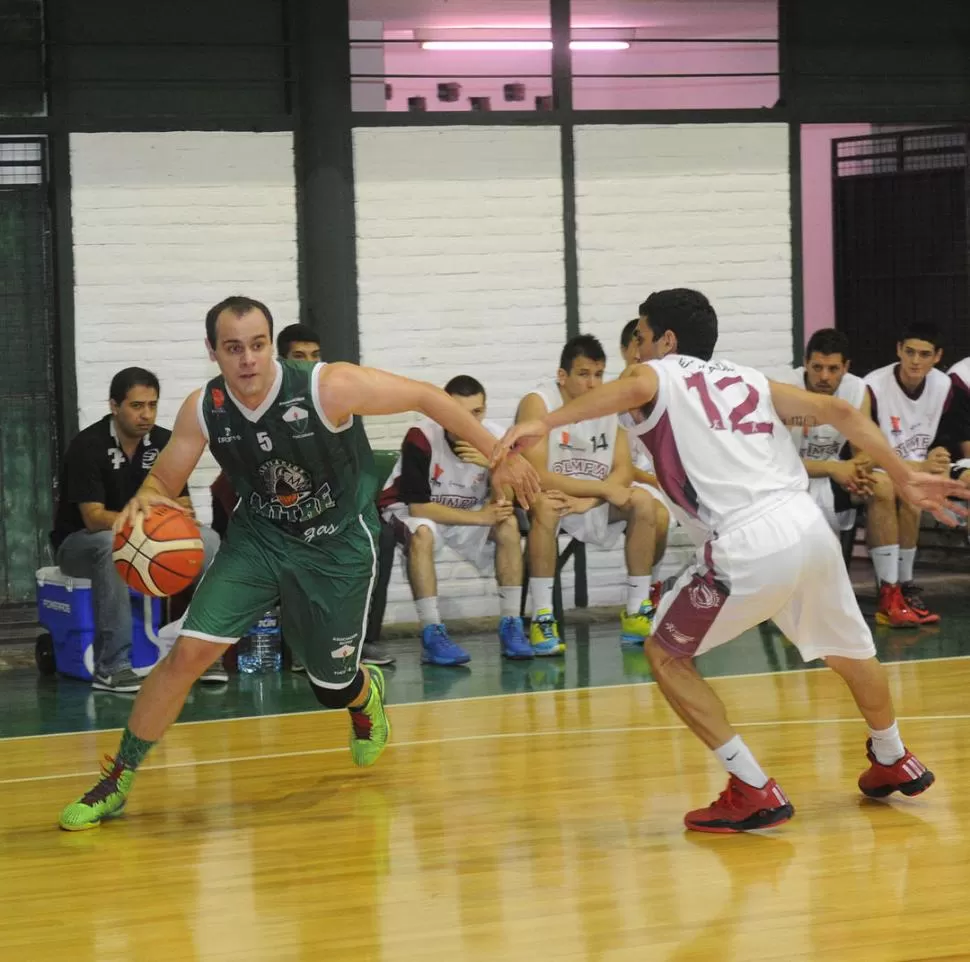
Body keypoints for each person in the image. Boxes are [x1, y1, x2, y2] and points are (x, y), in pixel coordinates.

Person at [58, 296, 538, 831]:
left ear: (271, 345)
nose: (248, 360)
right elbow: (163, 480)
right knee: (186, 655)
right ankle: (117, 778)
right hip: (259, 542)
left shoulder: (327, 386)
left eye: (258, 345)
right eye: (234, 348)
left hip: (334, 548)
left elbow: (427, 396)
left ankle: (362, 696)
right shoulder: (204, 407)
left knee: (328, 685)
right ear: (213, 351)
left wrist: (502, 453)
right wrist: (147, 495)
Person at [494, 288, 965, 834]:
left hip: (747, 541)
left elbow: (639, 384)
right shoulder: (747, 378)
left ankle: (751, 787)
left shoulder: (657, 374)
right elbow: (839, 411)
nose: (635, 351)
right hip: (806, 527)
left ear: (665, 341)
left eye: (641, 337)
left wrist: (545, 424)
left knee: (665, 653)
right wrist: (902, 476)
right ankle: (892, 756)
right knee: (852, 653)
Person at [210, 322, 396, 667]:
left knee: (381, 535)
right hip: (275, 516)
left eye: (315, 355)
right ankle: (295, 640)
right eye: (300, 356)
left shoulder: (328, 395)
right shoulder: (249, 402)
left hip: (326, 513)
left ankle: (359, 639)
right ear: (281, 359)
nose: (310, 363)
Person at [51, 367, 221, 692]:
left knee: (210, 543)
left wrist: (170, 523)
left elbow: (183, 508)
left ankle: (201, 654)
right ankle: (112, 666)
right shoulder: (88, 445)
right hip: (79, 545)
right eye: (137, 406)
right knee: (110, 544)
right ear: (114, 406)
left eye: (152, 405)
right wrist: (148, 521)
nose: (146, 415)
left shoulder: (164, 442)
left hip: (143, 536)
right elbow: (93, 517)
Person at [515, 335, 663, 655]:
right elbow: (536, 475)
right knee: (545, 505)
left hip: (590, 500)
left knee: (643, 502)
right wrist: (600, 491)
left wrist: (592, 500)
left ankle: (637, 611)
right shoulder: (539, 402)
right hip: (551, 496)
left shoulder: (611, 402)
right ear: (562, 376)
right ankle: (543, 618)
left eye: (598, 374)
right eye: (583, 375)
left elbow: (623, 470)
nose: (593, 384)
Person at [379, 375, 531, 665]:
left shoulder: (497, 438)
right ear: (444, 410)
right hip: (409, 511)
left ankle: (512, 624)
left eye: (477, 412)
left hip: (466, 514)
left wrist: (494, 465)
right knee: (423, 532)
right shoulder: (421, 436)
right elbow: (419, 509)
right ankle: (432, 632)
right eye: (460, 412)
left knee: (508, 524)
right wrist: (480, 517)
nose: (470, 421)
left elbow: (505, 501)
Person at [786, 330, 917, 626]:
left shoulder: (856, 390)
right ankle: (798, 599)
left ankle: (890, 595)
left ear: (845, 367)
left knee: (882, 485)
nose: (824, 376)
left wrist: (857, 467)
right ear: (805, 363)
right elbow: (775, 463)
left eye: (833, 369)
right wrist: (835, 469)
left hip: (834, 476)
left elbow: (866, 449)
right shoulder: (787, 390)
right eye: (817, 367)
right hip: (789, 483)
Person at [863, 323, 956, 625]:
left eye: (925, 354)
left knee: (913, 492)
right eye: (910, 352)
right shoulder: (873, 386)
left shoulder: (943, 386)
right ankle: (889, 590)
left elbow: (944, 439)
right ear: (898, 350)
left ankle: (903, 585)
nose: (916, 360)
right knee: (887, 487)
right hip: (877, 469)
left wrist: (939, 454)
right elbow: (865, 453)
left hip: (915, 472)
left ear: (937, 356)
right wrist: (918, 468)